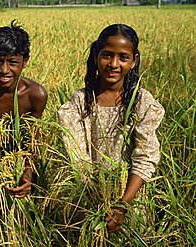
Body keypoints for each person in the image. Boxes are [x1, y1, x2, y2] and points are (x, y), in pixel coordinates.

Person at [58, 24, 164, 233]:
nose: (114, 64)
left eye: (123, 57)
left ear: (134, 61)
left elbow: (145, 156)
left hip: (130, 199)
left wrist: (122, 204)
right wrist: (98, 200)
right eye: (107, 55)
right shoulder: (80, 102)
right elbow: (78, 158)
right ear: (96, 55)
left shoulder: (141, 102)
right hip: (87, 198)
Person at [0, 20, 48, 215]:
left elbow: (33, 142)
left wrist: (28, 174)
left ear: (25, 61)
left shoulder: (35, 95)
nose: (4, 70)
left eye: (12, 62)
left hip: (25, 161)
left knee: (28, 216)